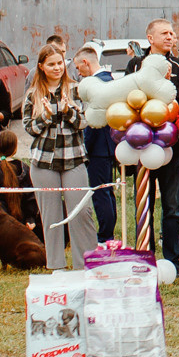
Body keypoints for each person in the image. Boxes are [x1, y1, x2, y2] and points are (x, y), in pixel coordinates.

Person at [21, 43, 85, 270]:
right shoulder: (32, 94)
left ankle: (83, 263)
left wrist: (68, 111)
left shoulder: (76, 89)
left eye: (60, 63)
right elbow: (29, 129)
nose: (57, 67)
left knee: (80, 212)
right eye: (51, 64)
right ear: (41, 67)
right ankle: (56, 265)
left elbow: (84, 123)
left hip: (74, 158)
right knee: (50, 215)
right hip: (43, 161)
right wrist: (46, 116)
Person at [141, 19, 179, 273]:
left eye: (173, 33)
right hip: (141, 143)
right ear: (150, 38)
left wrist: (167, 86)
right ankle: (146, 259)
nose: (170, 37)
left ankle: (173, 261)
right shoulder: (135, 65)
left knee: (173, 205)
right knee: (145, 203)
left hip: (172, 145)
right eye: (164, 33)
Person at [72, 43, 116, 240]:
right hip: (109, 144)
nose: (77, 72)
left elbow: (91, 121)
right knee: (108, 192)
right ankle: (108, 231)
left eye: (78, 67)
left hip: (98, 145)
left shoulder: (95, 85)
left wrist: (85, 148)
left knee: (100, 193)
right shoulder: (109, 80)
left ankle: (105, 235)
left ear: (85, 62)